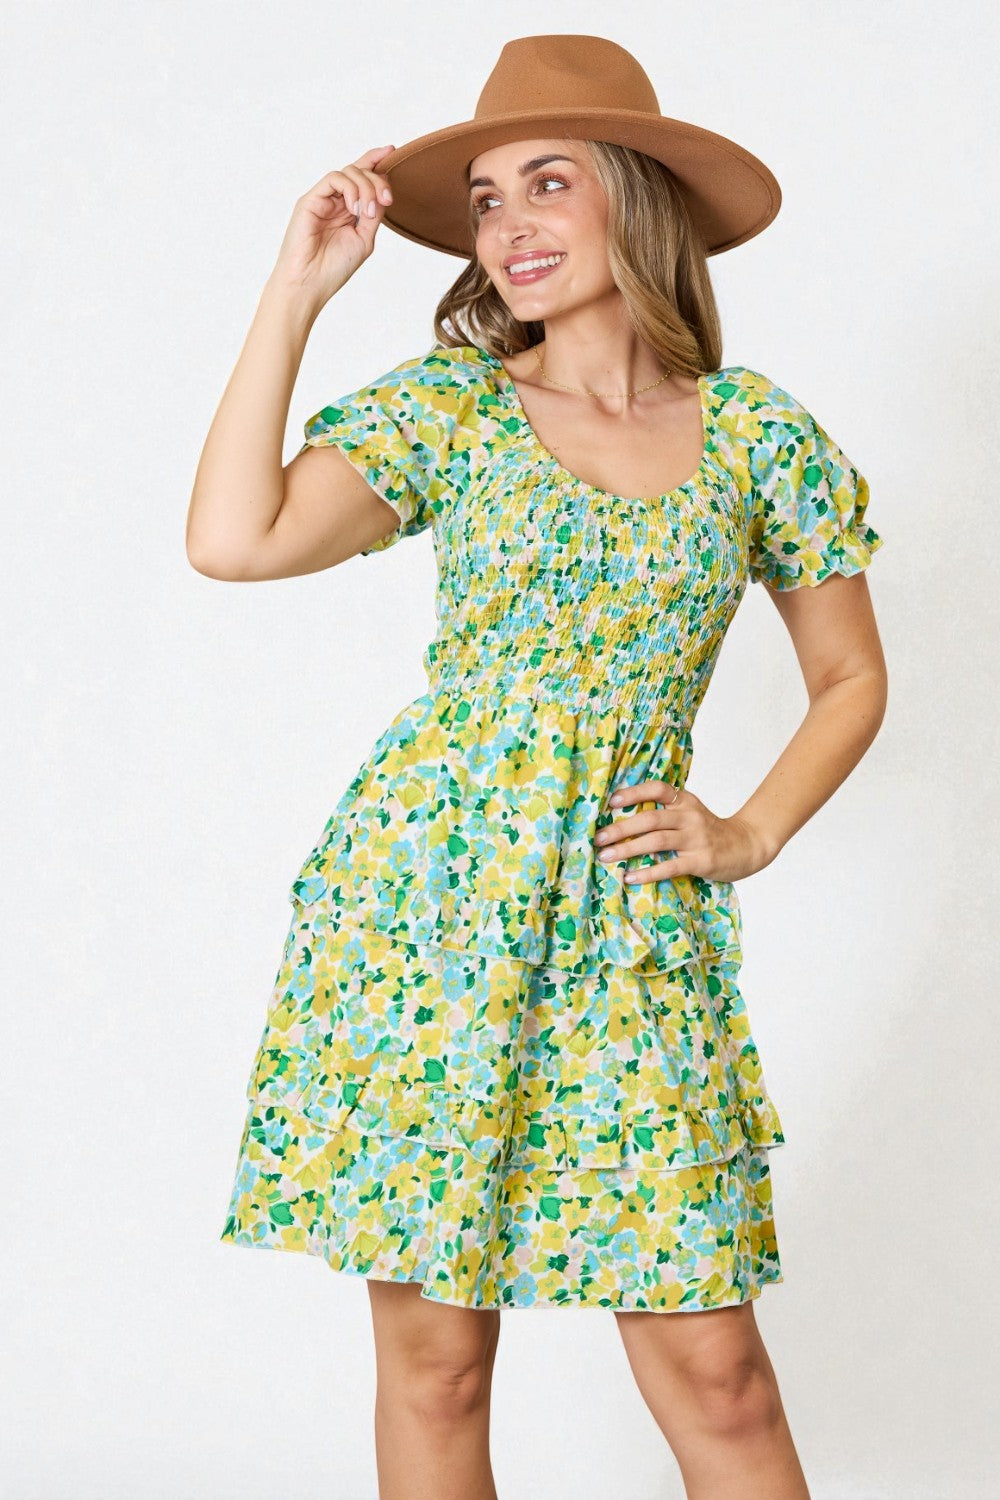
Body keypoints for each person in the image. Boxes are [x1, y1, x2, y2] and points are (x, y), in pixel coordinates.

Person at [188, 33, 886, 1500]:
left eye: (546, 184)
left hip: (631, 925)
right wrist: (298, 293)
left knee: (722, 1378)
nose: (507, 224)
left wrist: (747, 832)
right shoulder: (454, 410)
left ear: (638, 202)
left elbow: (849, 676)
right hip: (432, 910)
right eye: (488, 196)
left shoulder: (761, 437)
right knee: (439, 1367)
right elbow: (232, 540)